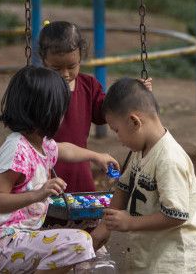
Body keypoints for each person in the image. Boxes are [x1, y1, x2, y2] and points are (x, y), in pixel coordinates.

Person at [0, 66, 120, 274]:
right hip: (3, 245)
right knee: (79, 242)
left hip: (21, 238)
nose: (63, 116)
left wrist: (96, 156)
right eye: (62, 110)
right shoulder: (17, 149)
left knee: (81, 234)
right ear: (47, 111)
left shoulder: (40, 143)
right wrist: (38, 194)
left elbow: (64, 150)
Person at [91, 78, 196, 273]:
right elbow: (124, 186)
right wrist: (105, 226)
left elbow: (176, 215)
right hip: (150, 255)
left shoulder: (168, 159)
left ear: (134, 122)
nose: (119, 140)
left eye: (117, 131)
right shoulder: (141, 149)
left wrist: (130, 222)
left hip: (174, 263)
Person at [38, 20, 151, 192]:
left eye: (71, 66)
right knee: (47, 213)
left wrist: (133, 93)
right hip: (46, 168)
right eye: (56, 69)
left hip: (79, 167)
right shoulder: (37, 88)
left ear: (80, 58)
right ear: (44, 61)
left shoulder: (88, 85)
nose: (65, 74)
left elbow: (106, 112)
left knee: (84, 212)